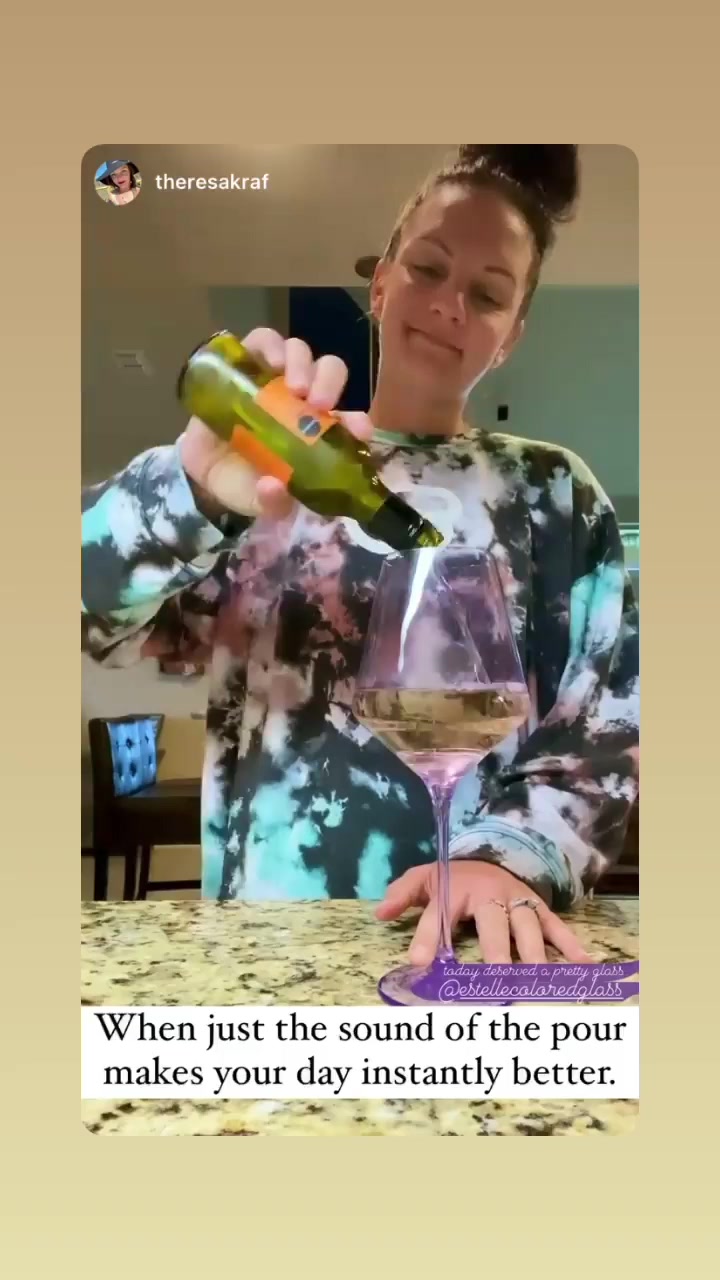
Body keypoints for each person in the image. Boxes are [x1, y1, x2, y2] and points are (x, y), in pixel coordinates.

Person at [82, 145, 639, 966]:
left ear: (511, 336)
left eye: (487, 294)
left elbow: (603, 733)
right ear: (380, 285)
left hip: (478, 950)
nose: (449, 304)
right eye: (428, 269)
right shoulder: (273, 473)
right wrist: (192, 490)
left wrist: (505, 857)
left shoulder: (556, 496)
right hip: (269, 949)